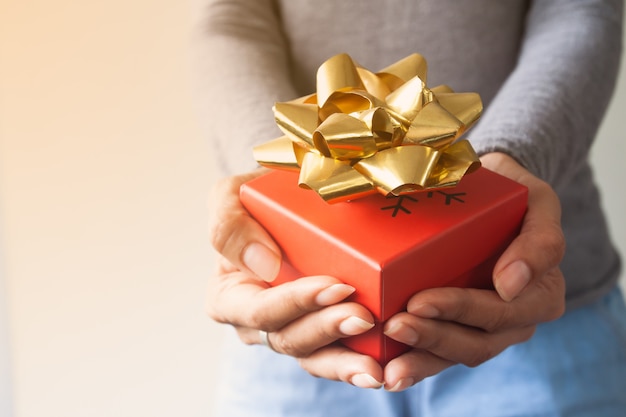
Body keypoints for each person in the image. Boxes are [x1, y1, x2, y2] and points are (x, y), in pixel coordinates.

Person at [195, 1, 626, 415]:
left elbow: (580, 9)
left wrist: (513, 158)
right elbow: (231, 17)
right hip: (296, 308)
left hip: (538, 295)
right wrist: (276, 174)